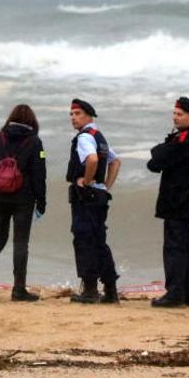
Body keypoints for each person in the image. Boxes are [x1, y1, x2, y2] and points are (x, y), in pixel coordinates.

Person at [0, 104, 47, 301]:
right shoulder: (34, 142)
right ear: (32, 121)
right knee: (20, 242)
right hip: (24, 198)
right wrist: (42, 201)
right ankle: (18, 289)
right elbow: (40, 175)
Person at [146, 96, 189, 308]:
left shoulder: (185, 139)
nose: (175, 117)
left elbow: (156, 160)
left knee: (175, 247)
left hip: (179, 200)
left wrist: (159, 150)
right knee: (185, 246)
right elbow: (156, 160)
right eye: (174, 113)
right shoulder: (184, 137)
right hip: (183, 200)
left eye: (179, 114)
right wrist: (160, 151)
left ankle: (175, 293)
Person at [66, 98, 122, 304]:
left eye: (77, 114)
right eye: (72, 114)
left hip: (86, 197)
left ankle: (89, 290)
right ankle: (110, 289)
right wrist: (105, 186)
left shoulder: (85, 138)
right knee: (99, 242)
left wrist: (87, 181)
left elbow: (92, 159)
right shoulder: (99, 137)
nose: (73, 118)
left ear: (89, 116)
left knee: (84, 240)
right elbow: (115, 161)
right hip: (99, 196)